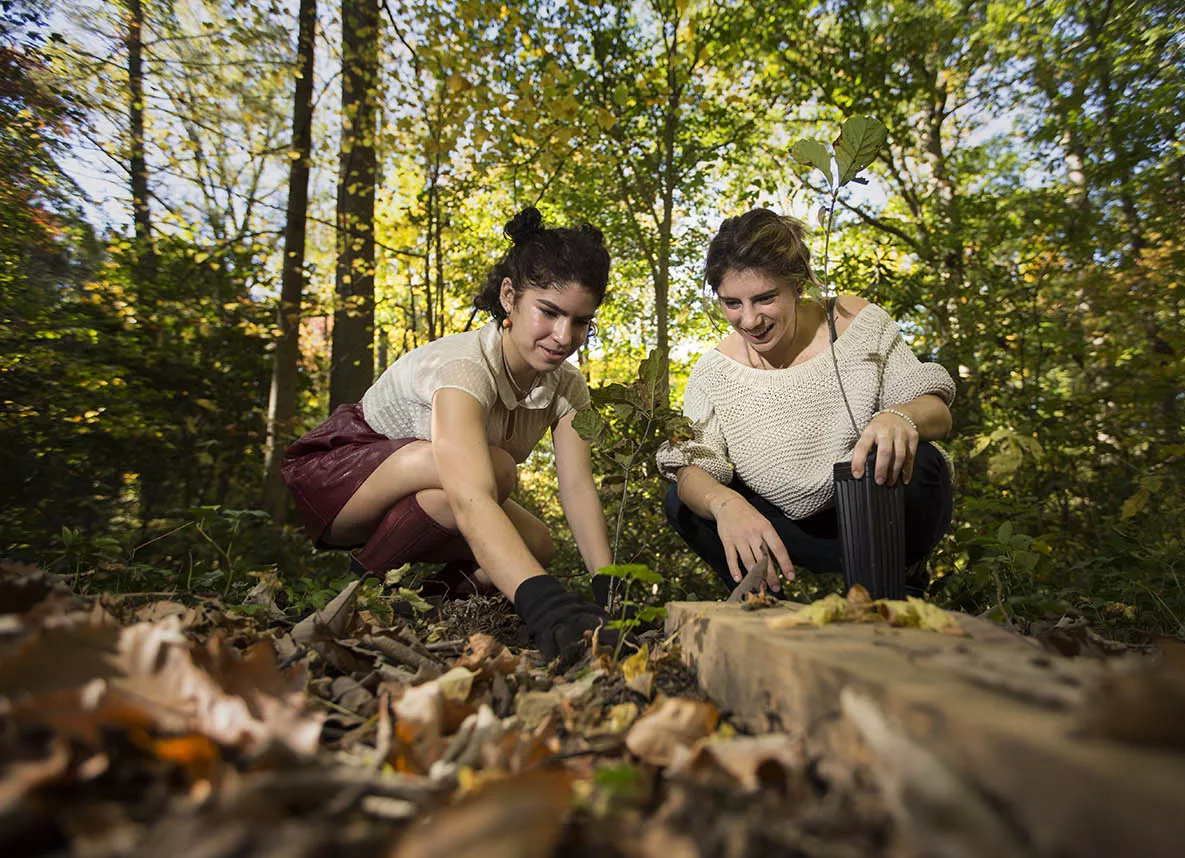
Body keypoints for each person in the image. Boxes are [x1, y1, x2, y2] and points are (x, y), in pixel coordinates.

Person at [281, 207, 614, 661]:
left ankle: (424, 603)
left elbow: (576, 487)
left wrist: (610, 586)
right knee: (492, 471)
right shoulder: (464, 365)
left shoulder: (567, 385)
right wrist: (545, 602)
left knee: (538, 542)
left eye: (580, 321)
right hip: (339, 479)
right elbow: (471, 496)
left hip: (429, 497)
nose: (563, 335)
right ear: (509, 295)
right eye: (549, 312)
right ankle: (361, 583)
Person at [656, 208, 955, 596]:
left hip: (872, 506)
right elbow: (691, 466)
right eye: (732, 303)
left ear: (797, 285)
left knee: (923, 457)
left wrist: (901, 415)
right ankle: (763, 602)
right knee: (683, 498)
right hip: (780, 528)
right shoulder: (714, 371)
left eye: (765, 298)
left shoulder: (856, 322)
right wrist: (725, 504)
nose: (749, 320)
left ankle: (897, 581)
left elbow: (938, 412)